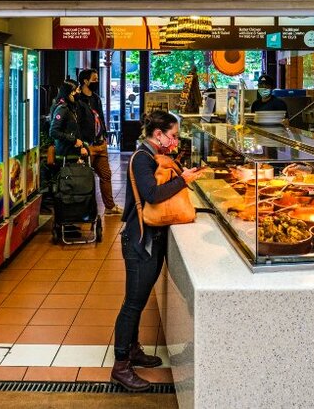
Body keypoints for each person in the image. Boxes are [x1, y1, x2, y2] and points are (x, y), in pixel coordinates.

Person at [111, 111, 204, 392]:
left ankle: (134, 350)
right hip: (140, 240)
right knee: (132, 303)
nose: (175, 141)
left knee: (138, 300)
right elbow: (152, 194)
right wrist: (183, 179)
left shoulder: (154, 157)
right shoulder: (142, 158)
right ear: (158, 134)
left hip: (150, 238)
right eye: (173, 136)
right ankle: (121, 365)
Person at [48, 80, 96, 242]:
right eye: (74, 90)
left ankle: (71, 221)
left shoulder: (71, 108)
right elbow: (54, 132)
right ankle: (66, 221)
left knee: (74, 188)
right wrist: (73, 140)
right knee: (67, 190)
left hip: (73, 155)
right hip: (65, 157)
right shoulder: (62, 109)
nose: (76, 93)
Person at [76, 69, 123, 216]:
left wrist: (104, 134)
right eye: (94, 79)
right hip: (86, 145)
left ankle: (109, 207)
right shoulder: (78, 100)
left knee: (106, 175)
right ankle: (83, 210)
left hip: (100, 143)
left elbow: (101, 117)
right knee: (84, 178)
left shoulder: (96, 98)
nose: (97, 81)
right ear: (85, 81)